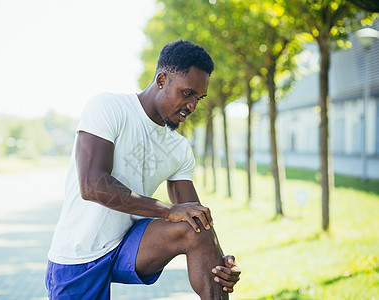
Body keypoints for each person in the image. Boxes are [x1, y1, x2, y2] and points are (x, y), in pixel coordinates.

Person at [46, 40, 241, 300]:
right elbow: (92, 185)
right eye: (187, 93)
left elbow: (194, 215)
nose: (193, 106)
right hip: (79, 253)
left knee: (197, 226)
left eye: (199, 98)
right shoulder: (108, 107)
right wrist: (168, 211)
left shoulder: (179, 147)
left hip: (129, 244)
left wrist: (219, 261)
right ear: (161, 80)